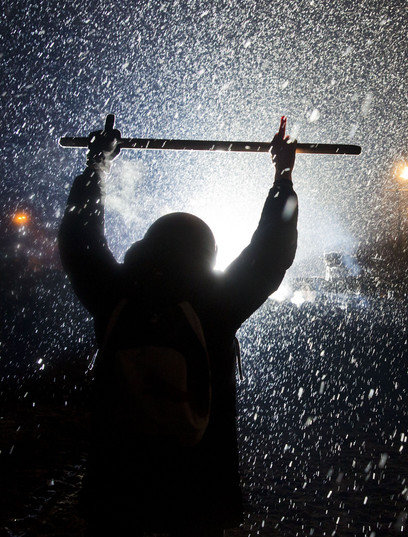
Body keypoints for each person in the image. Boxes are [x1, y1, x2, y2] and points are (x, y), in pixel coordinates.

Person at [58, 117, 298, 536]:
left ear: (149, 244)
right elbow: (271, 251)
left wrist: (97, 164)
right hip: (197, 488)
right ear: (207, 253)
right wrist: (282, 175)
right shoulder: (217, 303)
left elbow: (80, 239)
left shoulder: (114, 294)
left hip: (118, 485)